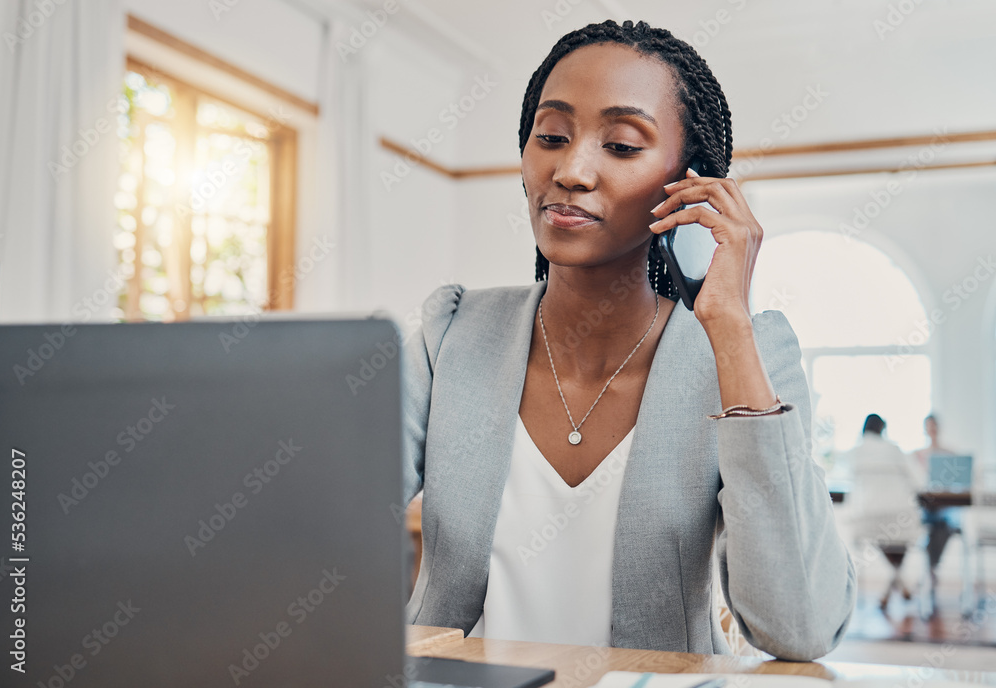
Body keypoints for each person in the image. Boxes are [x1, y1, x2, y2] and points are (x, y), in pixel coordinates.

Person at [401, 19, 855, 661]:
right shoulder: (449, 336)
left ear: (689, 182)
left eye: (620, 145)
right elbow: (319, 520)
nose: (571, 171)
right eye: (551, 136)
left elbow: (801, 626)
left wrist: (726, 323)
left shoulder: (746, 355)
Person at [846, 414, 923, 612]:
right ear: (883, 430)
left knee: (883, 537)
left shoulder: (855, 453)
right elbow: (919, 482)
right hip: (899, 518)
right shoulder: (894, 450)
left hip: (868, 521)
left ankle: (894, 589)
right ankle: (899, 587)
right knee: (897, 541)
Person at [913, 413, 961, 596]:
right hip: (926, 509)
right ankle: (932, 570)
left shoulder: (950, 455)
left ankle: (930, 570)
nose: (931, 430)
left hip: (946, 510)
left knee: (940, 526)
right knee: (932, 526)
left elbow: (959, 484)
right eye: (928, 426)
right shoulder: (917, 456)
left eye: (934, 426)